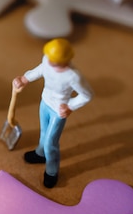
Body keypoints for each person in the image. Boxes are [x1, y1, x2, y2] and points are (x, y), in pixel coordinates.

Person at [13, 38, 93, 188]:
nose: (49, 61)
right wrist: (25, 78)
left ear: (65, 60)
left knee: (51, 143)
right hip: (45, 102)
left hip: (58, 110)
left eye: (53, 60)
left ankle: (51, 171)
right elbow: (41, 69)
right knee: (43, 133)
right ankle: (40, 154)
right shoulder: (47, 60)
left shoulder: (73, 76)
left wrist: (70, 106)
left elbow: (87, 95)